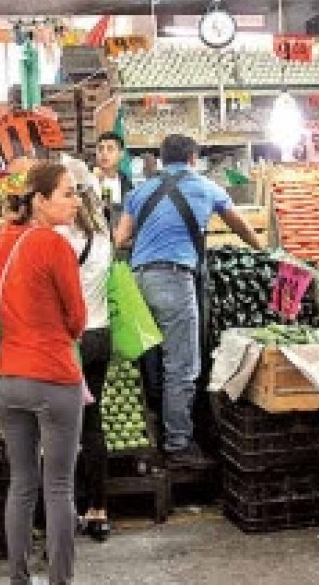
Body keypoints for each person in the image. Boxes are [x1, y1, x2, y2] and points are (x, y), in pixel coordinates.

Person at [114, 134, 262, 468]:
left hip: (137, 283)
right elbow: (240, 226)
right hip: (174, 281)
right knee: (181, 365)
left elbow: (120, 237)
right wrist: (262, 251)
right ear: (193, 158)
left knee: (148, 363)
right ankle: (178, 444)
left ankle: (150, 439)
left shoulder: (139, 192)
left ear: (161, 160)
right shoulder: (207, 188)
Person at [0, 162, 86, 585]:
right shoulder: (54, 244)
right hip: (53, 377)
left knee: (22, 483)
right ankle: (60, 581)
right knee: (60, 486)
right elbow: (78, 319)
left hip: (10, 380)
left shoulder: (1, 240)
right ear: (41, 201)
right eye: (68, 193)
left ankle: (18, 578)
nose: (76, 200)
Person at [58, 157, 114, 542]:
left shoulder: (62, 239)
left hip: (71, 339)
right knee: (92, 426)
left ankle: (67, 508)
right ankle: (99, 509)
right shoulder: (104, 238)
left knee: (62, 426)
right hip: (101, 336)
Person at [93, 131, 133, 226]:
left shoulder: (127, 184)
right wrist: (95, 182)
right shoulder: (86, 179)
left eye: (110, 149)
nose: (104, 153)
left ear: (121, 154)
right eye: (100, 149)